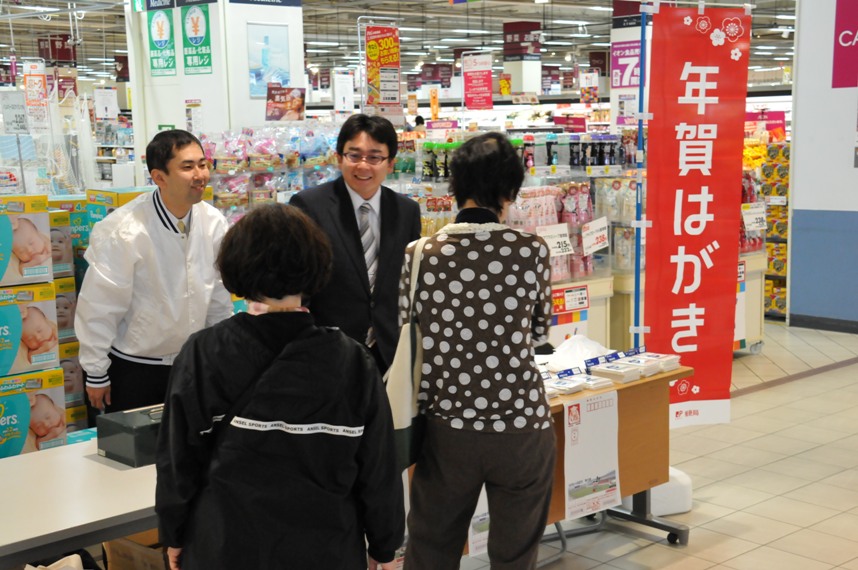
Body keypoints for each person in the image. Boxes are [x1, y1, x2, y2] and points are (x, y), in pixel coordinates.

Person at [156, 204, 404, 570]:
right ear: (316, 266)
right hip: (327, 547)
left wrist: (173, 533)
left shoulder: (205, 352)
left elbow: (178, 460)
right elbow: (379, 468)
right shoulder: (352, 361)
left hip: (226, 544)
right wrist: (385, 546)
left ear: (236, 267)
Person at [400, 132, 555, 570]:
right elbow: (539, 330)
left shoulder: (420, 253)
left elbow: (404, 330)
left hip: (446, 427)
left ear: (455, 183)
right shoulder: (531, 251)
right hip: (522, 425)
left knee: (430, 546)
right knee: (515, 554)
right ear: (510, 189)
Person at [75, 129, 232, 413]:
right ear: (159, 177)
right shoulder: (123, 230)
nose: (200, 174)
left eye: (202, 164)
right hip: (136, 370)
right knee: (137, 454)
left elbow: (218, 293)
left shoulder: (213, 222)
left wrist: (220, 352)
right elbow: (99, 306)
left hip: (193, 364)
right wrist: (96, 371)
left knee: (190, 451)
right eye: (187, 167)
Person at [290, 114, 421, 371]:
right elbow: (298, 284)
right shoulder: (309, 206)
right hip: (328, 351)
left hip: (389, 352)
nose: (363, 165)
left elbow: (408, 282)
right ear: (339, 158)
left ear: (391, 163)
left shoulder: (406, 211)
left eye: (375, 157)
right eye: (354, 155)